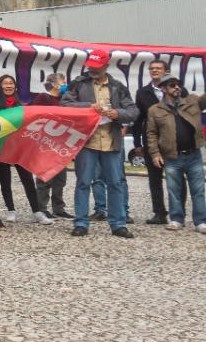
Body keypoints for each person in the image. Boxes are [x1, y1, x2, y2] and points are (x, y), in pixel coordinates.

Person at [61, 49, 138, 239]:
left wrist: (118, 114)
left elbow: (133, 111)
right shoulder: (78, 84)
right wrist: (87, 107)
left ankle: (118, 224)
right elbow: (64, 105)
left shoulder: (118, 86)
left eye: (96, 67)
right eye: (90, 66)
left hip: (111, 143)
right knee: (83, 183)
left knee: (116, 184)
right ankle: (80, 223)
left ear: (106, 65)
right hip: (87, 142)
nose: (92, 70)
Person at [145, 74, 206, 233]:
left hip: (194, 155)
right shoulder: (155, 110)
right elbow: (151, 134)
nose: (177, 87)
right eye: (172, 85)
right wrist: (155, 154)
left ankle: (201, 221)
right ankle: (177, 219)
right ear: (163, 88)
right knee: (174, 189)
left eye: (178, 84)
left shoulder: (192, 101)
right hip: (172, 156)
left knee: (198, 190)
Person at [0, 74, 53, 225]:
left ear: (15, 87)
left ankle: (37, 211)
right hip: (2, 146)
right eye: (5, 83)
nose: (8, 86)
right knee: (4, 179)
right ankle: (10, 210)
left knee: (27, 179)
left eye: (11, 83)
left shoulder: (21, 105)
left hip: (19, 147)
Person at [130, 59, 170, 225]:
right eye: (152, 68)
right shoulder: (143, 92)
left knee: (176, 179)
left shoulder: (177, 89)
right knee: (155, 179)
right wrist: (137, 142)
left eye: (158, 68)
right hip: (151, 141)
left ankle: (177, 213)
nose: (154, 71)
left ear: (165, 71)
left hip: (173, 141)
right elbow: (138, 120)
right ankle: (159, 213)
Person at [30, 73, 71, 219]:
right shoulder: (43, 97)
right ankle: (41, 208)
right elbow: (33, 115)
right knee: (44, 177)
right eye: (63, 81)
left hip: (62, 143)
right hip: (46, 143)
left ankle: (58, 208)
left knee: (60, 178)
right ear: (54, 84)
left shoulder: (66, 100)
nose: (66, 84)